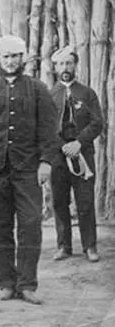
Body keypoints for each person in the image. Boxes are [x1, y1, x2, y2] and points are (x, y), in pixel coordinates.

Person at [0, 35, 58, 305]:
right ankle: (7, 284)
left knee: (31, 224)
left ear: (23, 59)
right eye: (6, 56)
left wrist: (46, 162)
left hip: (28, 169)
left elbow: (48, 129)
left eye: (15, 56)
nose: (11, 61)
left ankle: (27, 284)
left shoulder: (37, 89)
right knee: (0, 226)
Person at [49, 46, 103, 263]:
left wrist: (79, 142)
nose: (65, 68)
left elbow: (97, 122)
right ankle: (64, 246)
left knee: (85, 201)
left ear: (75, 65)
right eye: (61, 64)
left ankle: (90, 246)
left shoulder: (87, 93)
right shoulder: (49, 95)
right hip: (58, 157)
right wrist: (62, 146)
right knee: (60, 201)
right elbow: (44, 127)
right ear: (55, 67)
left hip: (83, 156)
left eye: (69, 63)